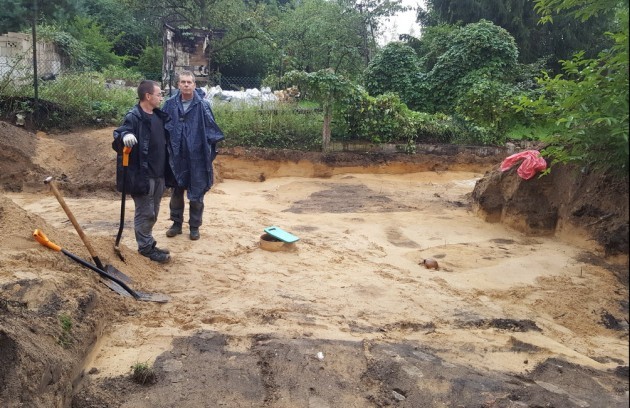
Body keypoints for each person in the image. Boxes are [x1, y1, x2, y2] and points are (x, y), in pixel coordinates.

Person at [112, 80, 175, 263]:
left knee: (153, 211)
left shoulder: (158, 116)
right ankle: (146, 248)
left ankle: (148, 242)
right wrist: (125, 136)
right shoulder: (134, 117)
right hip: (141, 175)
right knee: (145, 212)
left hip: (159, 174)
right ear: (148, 96)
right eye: (158, 94)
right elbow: (118, 136)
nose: (161, 97)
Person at [161, 71, 224, 240]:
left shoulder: (203, 106)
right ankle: (176, 224)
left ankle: (194, 226)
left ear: (195, 85)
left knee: (196, 193)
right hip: (176, 155)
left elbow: (212, 132)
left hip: (197, 157)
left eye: (189, 82)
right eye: (183, 82)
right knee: (176, 191)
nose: (186, 85)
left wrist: (209, 155)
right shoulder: (169, 105)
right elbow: (162, 129)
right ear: (178, 85)